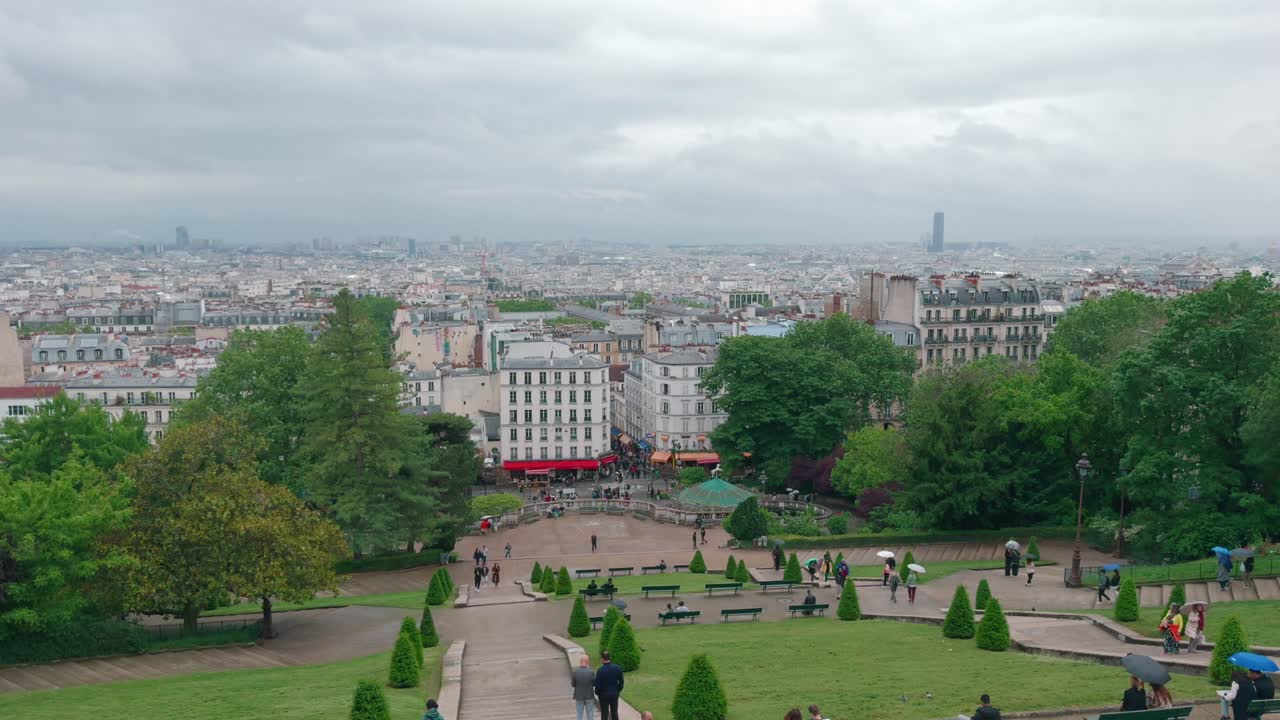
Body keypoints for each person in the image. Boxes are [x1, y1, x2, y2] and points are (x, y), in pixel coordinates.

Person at [593, 651, 624, 720]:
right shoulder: (617, 668)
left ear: (602, 659)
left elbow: (597, 684)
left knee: (604, 714)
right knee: (614, 713)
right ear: (609, 658)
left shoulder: (600, 670)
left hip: (603, 695)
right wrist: (618, 690)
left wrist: (597, 692)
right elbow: (621, 682)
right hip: (614, 693)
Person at [571, 654, 596, 720]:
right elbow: (594, 683)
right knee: (590, 715)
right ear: (587, 662)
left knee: (579, 714)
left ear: (580, 661)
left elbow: (573, 684)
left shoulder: (575, 672)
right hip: (589, 695)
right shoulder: (591, 672)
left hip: (579, 696)